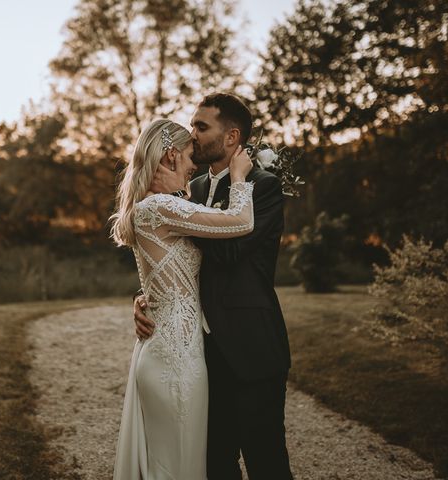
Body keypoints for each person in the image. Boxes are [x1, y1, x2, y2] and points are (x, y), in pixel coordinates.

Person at [134, 93, 293, 479]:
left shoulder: (263, 186)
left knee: (266, 460)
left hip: (250, 346)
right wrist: (147, 297)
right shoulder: (190, 188)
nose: (192, 134)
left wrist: (178, 212)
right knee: (214, 463)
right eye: (192, 125)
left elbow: (230, 252)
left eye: (202, 127)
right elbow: (172, 256)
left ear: (231, 137)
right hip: (198, 354)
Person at [110, 117, 255, 479]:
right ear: (171, 155)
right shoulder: (159, 207)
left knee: (178, 465)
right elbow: (241, 221)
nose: (194, 165)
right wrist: (239, 176)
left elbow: (167, 276)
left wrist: (142, 298)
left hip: (173, 348)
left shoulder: (153, 207)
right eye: (190, 155)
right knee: (175, 468)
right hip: (174, 358)